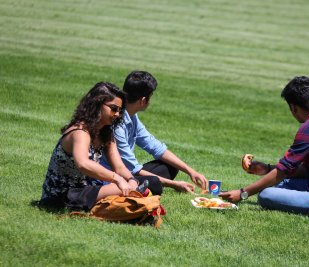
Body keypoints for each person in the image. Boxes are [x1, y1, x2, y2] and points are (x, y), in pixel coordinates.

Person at [220, 76, 309, 216]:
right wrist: (268, 168)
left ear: (294, 107)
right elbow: (303, 169)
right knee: (275, 185)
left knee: (266, 195)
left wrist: (243, 193)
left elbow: (283, 170)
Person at [39, 82, 159, 211]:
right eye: (113, 108)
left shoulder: (106, 132)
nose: (117, 114)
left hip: (87, 188)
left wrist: (131, 179)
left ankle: (131, 195)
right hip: (61, 195)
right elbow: (83, 164)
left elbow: (119, 166)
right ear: (97, 104)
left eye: (119, 110)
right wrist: (118, 179)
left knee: (151, 182)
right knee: (120, 188)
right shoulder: (80, 132)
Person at [100, 71, 208, 195]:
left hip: (128, 173)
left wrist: (190, 171)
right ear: (143, 100)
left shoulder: (132, 116)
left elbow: (155, 147)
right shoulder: (117, 124)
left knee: (171, 166)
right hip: (114, 176)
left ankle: (146, 186)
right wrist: (175, 184)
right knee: (154, 183)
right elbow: (133, 168)